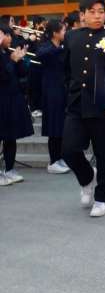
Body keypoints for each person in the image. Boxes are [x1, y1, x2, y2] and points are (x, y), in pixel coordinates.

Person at [62, 0, 105, 218]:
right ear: (82, 15)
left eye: (101, 11)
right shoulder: (71, 36)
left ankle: (103, 198)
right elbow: (66, 69)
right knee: (69, 149)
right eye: (92, 12)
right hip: (76, 103)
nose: (97, 16)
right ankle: (87, 177)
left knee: (104, 154)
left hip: (102, 105)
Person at [0, 26, 33, 186]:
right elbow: (3, 76)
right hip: (2, 100)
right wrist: (12, 61)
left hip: (12, 99)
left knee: (10, 137)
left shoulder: (8, 52)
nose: (10, 38)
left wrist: (20, 60)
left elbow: (22, 73)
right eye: (6, 35)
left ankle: (9, 169)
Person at [37, 20, 69, 175]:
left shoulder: (62, 46)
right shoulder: (46, 47)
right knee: (53, 126)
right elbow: (41, 54)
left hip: (62, 89)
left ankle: (60, 157)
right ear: (55, 33)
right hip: (51, 91)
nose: (65, 33)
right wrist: (59, 49)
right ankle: (53, 161)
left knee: (61, 126)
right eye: (63, 31)